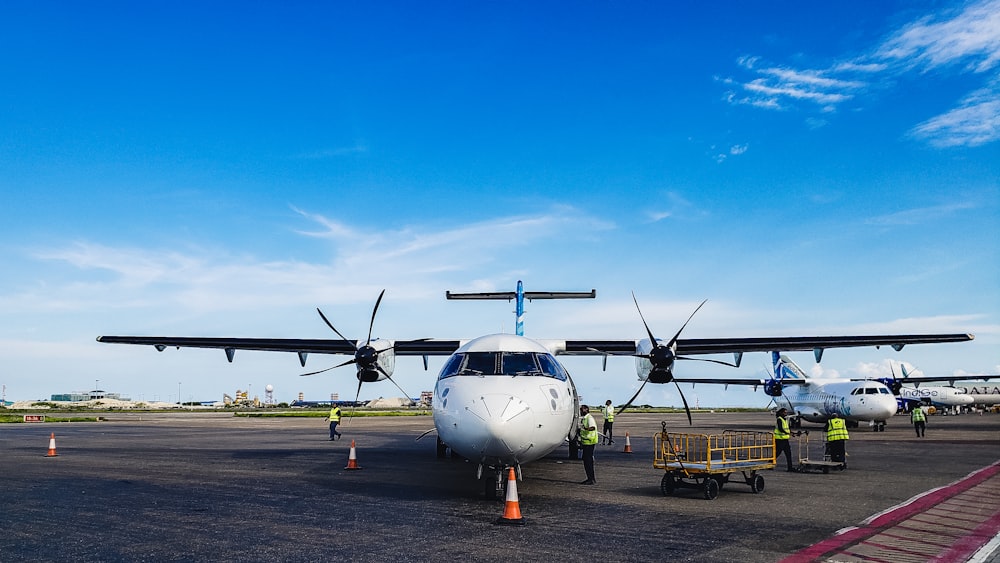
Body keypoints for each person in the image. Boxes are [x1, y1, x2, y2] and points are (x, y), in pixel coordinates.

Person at [578, 405, 599, 484]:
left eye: (581, 409)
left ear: (586, 410)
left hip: (590, 442)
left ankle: (591, 479)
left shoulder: (589, 418)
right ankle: (590, 478)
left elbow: (592, 427)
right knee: (586, 460)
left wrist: (584, 429)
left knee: (588, 461)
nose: (580, 411)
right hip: (586, 442)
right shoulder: (585, 418)